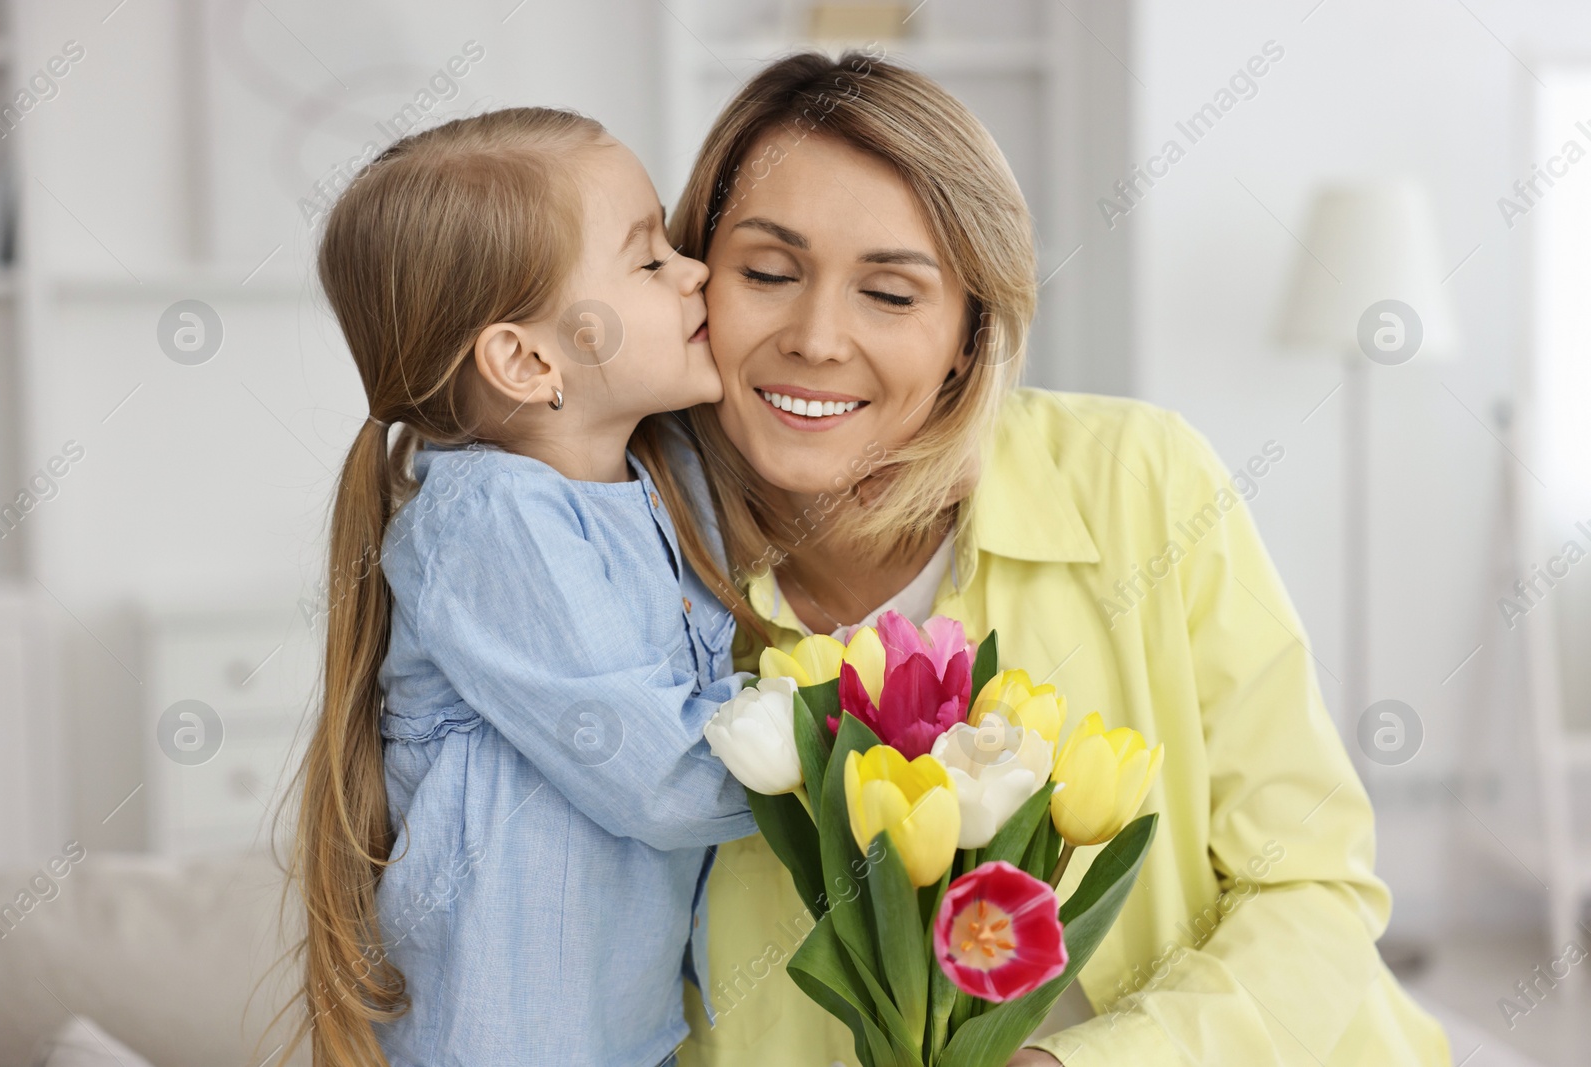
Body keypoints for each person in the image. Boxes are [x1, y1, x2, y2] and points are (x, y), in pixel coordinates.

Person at [670, 53, 1451, 1066]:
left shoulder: (1140, 479)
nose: (817, 337)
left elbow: (1310, 884)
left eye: (892, 294)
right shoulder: (627, 558)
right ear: (693, 284)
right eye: (768, 274)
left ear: (967, 331)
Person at [286, 108, 757, 1067]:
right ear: (529, 359)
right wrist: (864, 758)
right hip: (504, 1036)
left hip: (624, 1028)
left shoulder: (666, 484)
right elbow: (664, 774)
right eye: (649, 259)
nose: (696, 270)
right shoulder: (491, 522)